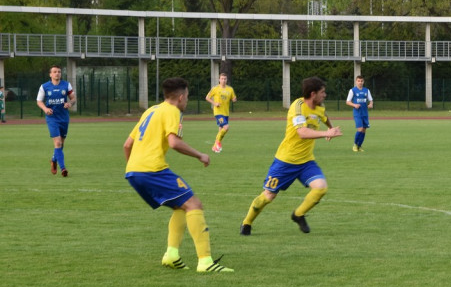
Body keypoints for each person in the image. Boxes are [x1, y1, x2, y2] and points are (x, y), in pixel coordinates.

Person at [123, 77, 232, 272]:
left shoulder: (151, 110)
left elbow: (127, 145)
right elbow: (174, 142)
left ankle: (171, 255)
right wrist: (200, 155)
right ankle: (205, 262)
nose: (187, 101)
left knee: (181, 206)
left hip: (133, 171)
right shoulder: (172, 111)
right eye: (187, 97)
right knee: (194, 204)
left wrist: (134, 167)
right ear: (181, 97)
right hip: (152, 169)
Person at [241, 76, 341, 235]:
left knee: (321, 188)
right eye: (323, 92)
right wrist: (325, 133)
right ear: (313, 94)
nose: (325, 95)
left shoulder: (319, 108)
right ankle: (247, 222)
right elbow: (302, 133)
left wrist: (331, 127)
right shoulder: (298, 107)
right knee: (268, 196)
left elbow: (324, 116)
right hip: (286, 161)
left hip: (306, 162)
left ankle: (298, 215)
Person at [36, 65, 75, 177]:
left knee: (61, 143)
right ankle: (63, 168)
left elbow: (73, 98)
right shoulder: (44, 87)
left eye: (59, 71)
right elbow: (39, 101)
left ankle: (53, 160)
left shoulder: (66, 85)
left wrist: (70, 104)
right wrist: (45, 109)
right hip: (52, 118)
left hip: (64, 118)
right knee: (57, 142)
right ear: (50, 74)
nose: (57, 73)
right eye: (54, 72)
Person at [205, 72, 237, 153]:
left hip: (226, 113)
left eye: (225, 79)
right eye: (222, 79)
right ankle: (217, 143)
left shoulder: (230, 89)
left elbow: (234, 98)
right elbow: (207, 97)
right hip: (218, 112)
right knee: (226, 127)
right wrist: (214, 103)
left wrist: (234, 100)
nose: (223, 80)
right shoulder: (215, 89)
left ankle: (215, 147)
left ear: (227, 80)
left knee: (220, 131)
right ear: (219, 80)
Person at [346, 75, 373, 152]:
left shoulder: (366, 90)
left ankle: (359, 146)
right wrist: (354, 105)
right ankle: (355, 145)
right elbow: (347, 102)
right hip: (357, 113)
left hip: (365, 113)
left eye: (361, 81)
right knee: (360, 129)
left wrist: (371, 104)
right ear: (356, 81)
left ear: (363, 82)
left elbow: (371, 100)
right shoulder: (352, 90)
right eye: (358, 81)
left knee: (364, 130)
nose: (360, 82)